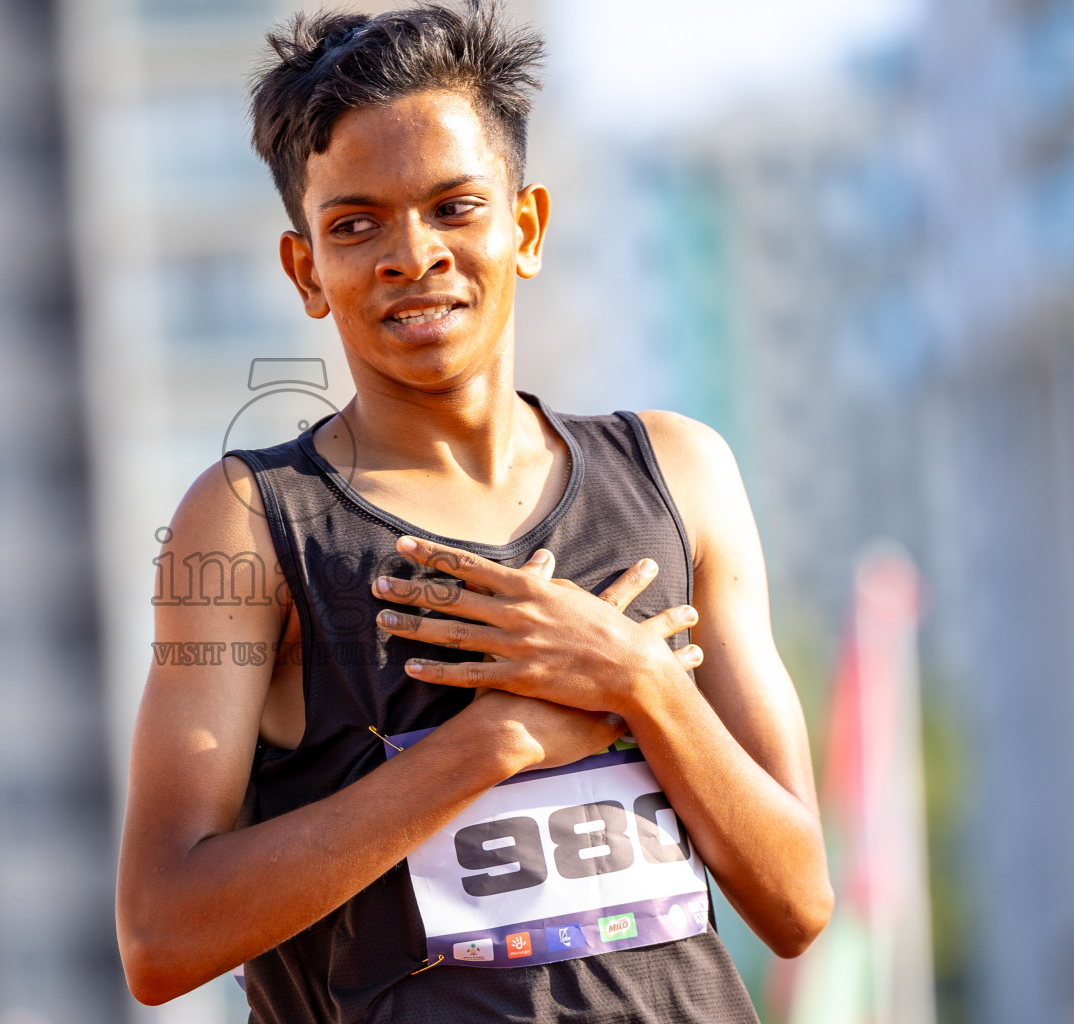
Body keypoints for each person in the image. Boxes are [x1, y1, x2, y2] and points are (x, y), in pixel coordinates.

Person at [116, 3, 833, 1020]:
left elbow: (799, 899)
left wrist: (637, 683)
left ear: (526, 227)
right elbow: (160, 935)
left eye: (455, 206)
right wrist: (486, 747)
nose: (413, 254)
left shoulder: (682, 474)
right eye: (356, 224)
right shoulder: (247, 522)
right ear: (305, 270)